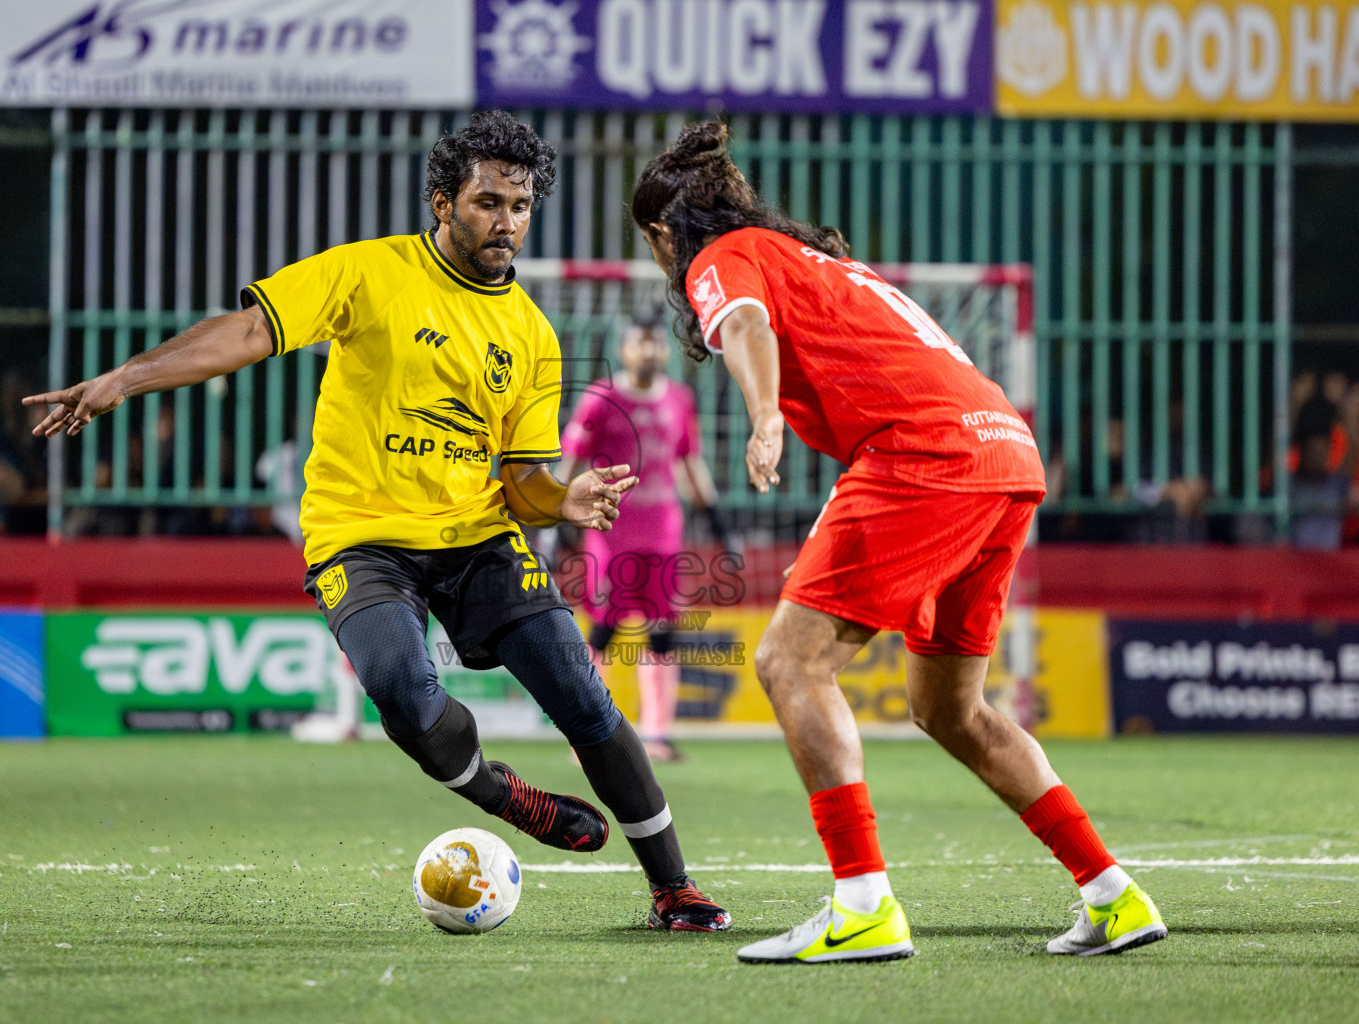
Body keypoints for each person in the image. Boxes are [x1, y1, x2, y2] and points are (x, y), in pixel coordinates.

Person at [26, 111, 730, 932]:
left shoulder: (533, 336)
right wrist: (127, 377)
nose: (506, 222)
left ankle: (673, 886)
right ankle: (497, 793)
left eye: (520, 205)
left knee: (581, 691)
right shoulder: (367, 273)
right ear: (442, 202)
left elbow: (523, 482)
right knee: (398, 685)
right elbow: (252, 329)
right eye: (487, 202)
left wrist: (563, 499)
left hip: (476, 539)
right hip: (360, 539)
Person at [632, 121, 1165, 962]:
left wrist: (764, 415)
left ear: (664, 234)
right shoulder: (814, 257)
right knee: (949, 709)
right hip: (1004, 450)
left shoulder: (720, 257)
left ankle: (863, 904)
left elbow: (745, 328)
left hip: (925, 453)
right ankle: (1112, 893)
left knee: (789, 661)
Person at [560, 316, 728, 762]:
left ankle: (656, 735)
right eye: (641, 343)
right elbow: (569, 458)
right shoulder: (602, 398)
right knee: (603, 630)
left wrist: (714, 518)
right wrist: (557, 514)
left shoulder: (679, 398)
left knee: (662, 633)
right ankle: (590, 736)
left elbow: (690, 461)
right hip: (609, 530)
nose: (650, 352)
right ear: (625, 348)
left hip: (663, 533)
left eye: (656, 345)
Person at [1290, 392, 1359, 550]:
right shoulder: (1286, 486)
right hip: (1293, 567)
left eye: (1322, 450)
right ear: (1301, 448)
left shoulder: (1340, 484)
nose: (1317, 457)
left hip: (1327, 567)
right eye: (1312, 451)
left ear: (1329, 448)